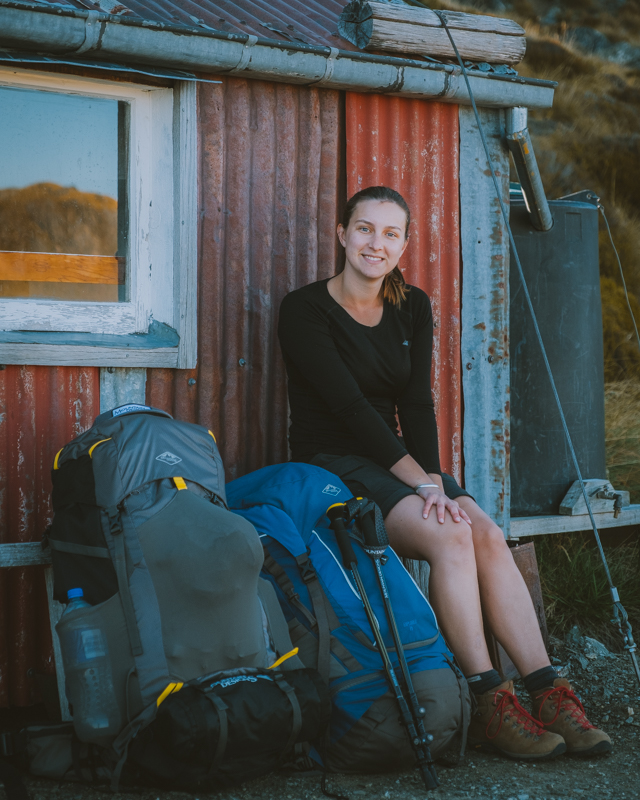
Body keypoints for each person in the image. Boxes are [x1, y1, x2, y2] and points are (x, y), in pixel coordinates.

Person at [277, 185, 611, 760]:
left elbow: (417, 405)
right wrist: (427, 487)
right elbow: (350, 411)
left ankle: (548, 690)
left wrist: (432, 478)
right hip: (330, 461)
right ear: (341, 234)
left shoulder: (413, 305)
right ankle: (490, 702)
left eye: (389, 233)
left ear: (404, 244)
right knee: (450, 534)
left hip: (395, 457)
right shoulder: (305, 309)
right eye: (363, 228)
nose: (374, 243)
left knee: (484, 531)